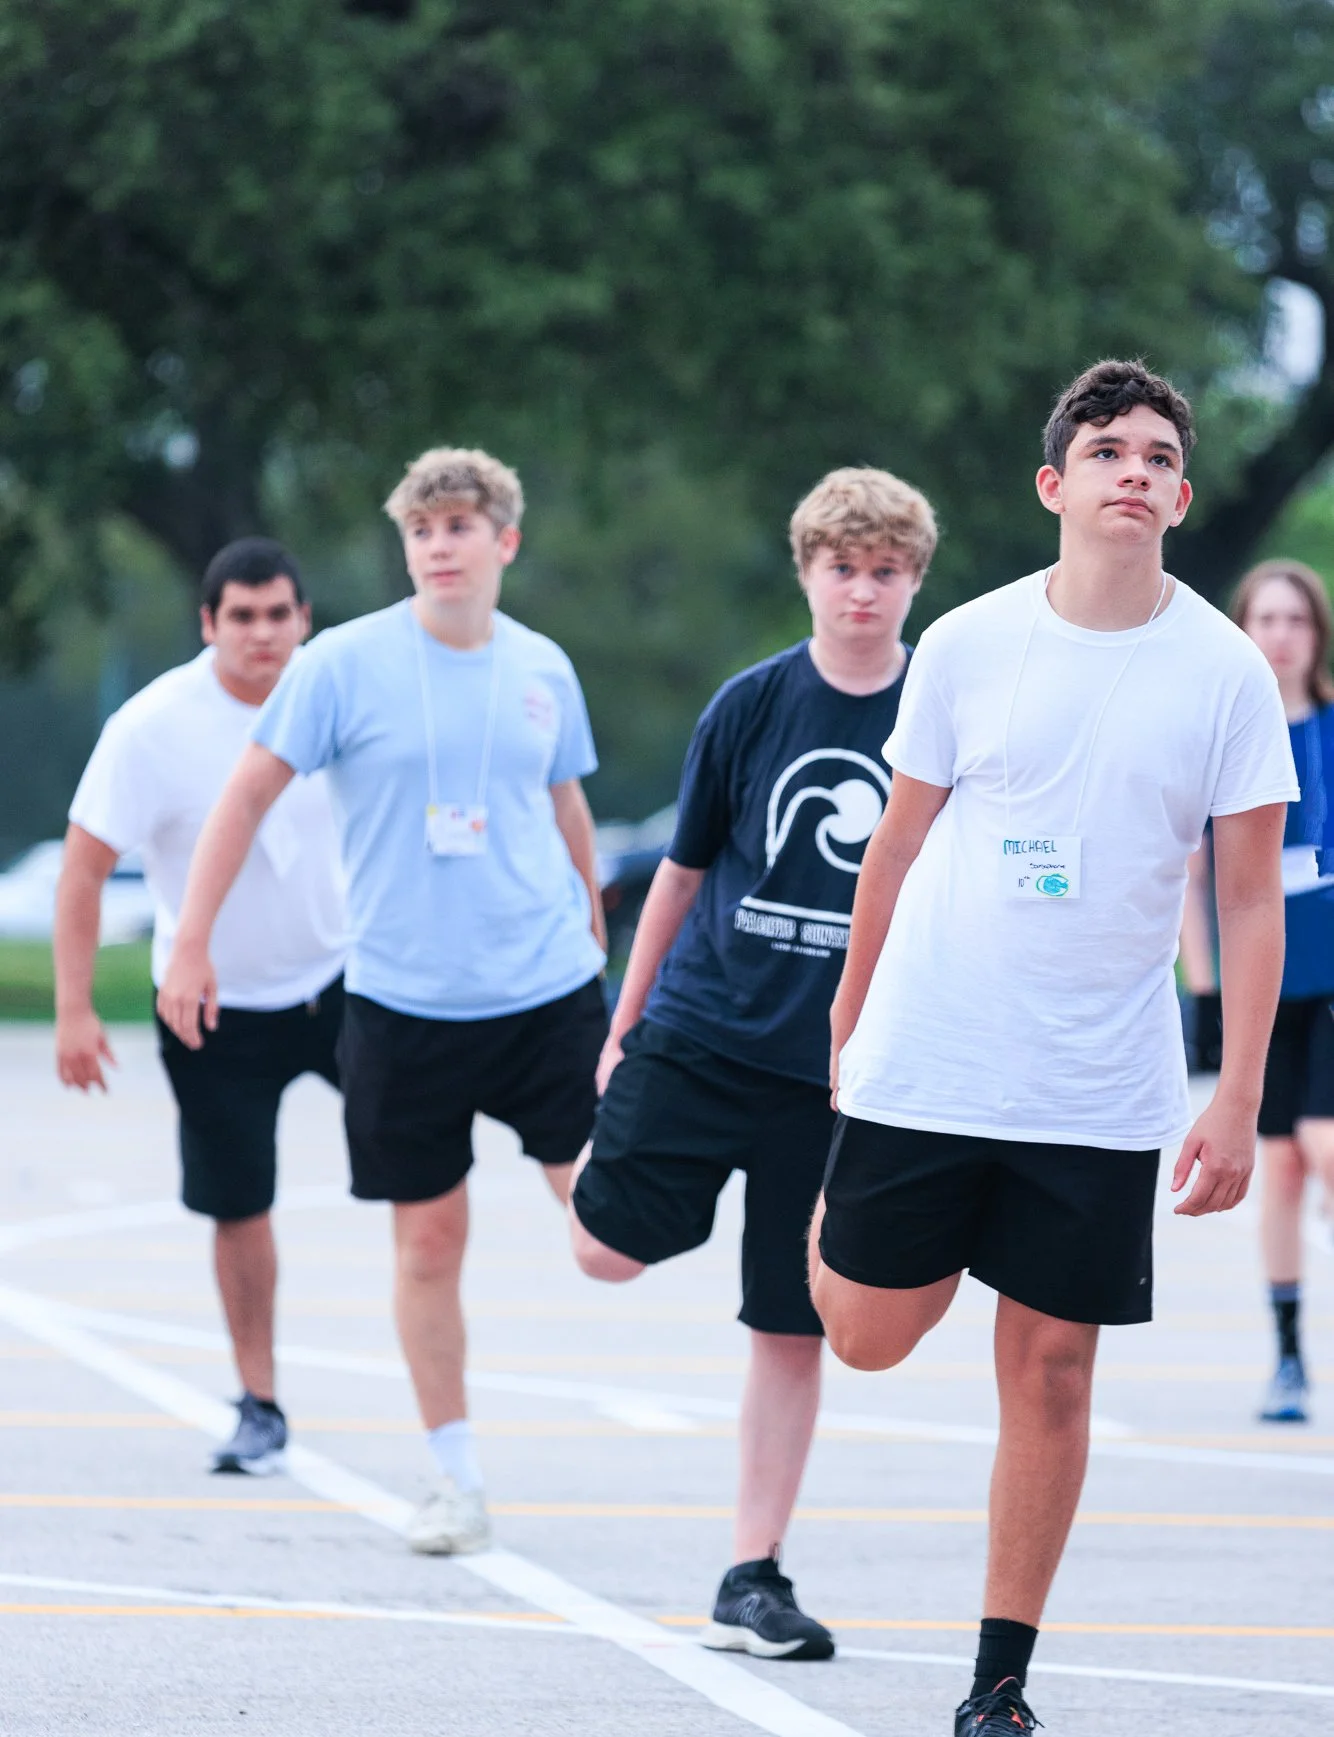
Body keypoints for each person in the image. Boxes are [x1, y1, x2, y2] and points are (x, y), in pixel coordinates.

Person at [809, 359, 1296, 1737]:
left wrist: (1234, 1096)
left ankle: (997, 1696)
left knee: (1052, 1369)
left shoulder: (1223, 671)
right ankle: (841, 1228)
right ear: (1053, 485)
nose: (1131, 470)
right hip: (931, 1054)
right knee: (866, 1335)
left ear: (1179, 497)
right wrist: (845, 1018)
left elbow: (1247, 897)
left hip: (1097, 1083)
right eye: (1104, 451)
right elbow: (893, 845)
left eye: (1155, 455)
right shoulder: (966, 643)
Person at [157, 448, 607, 1557]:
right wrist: (192, 941)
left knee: (609, 1229)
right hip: (405, 1004)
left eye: (460, 527)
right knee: (427, 1243)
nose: (439, 546)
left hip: (544, 989)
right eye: (422, 530)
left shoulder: (544, 666)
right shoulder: (341, 665)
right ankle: (454, 1478)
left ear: (504, 542)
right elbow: (243, 798)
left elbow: (566, 806)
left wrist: (597, 933)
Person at [570, 467, 938, 1660]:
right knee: (602, 1251)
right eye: (841, 568)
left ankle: (751, 1571)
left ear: (912, 579)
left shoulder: (938, 714)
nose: (861, 590)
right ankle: (627, 1170)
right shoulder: (749, 704)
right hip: (701, 1030)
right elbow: (677, 875)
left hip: (833, 1075)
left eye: (883, 570)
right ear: (806, 573)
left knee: (790, 1323)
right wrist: (621, 1023)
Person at [55, 539, 346, 1474]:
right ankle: (259, 1404)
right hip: (214, 1003)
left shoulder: (343, 694)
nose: (263, 634)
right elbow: (83, 870)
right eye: (242, 617)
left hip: (347, 980)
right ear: (209, 624)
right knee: (237, 1205)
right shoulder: (151, 727)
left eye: (279, 615)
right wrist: (74, 1009)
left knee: (423, 1168)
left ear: (305, 620)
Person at [1182, 558, 1334, 1424]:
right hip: (1262, 993)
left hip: (1332, 983)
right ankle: (1288, 1359)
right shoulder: (1223, 735)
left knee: (1322, 1143)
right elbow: (1192, 877)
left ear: (1318, 634)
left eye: (1296, 620)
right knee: (1278, 1170)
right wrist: (1205, 991)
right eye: (1265, 619)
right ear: (1242, 630)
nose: (1280, 636)